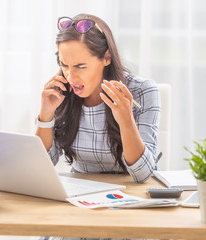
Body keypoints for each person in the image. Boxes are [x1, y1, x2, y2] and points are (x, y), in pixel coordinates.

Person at [35, 13, 160, 240]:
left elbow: (142, 175)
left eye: (80, 66)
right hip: (80, 201)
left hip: (129, 202)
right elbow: (41, 166)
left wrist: (125, 119)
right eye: (64, 65)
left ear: (106, 58)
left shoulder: (143, 91)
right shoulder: (62, 91)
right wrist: (46, 114)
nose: (71, 76)